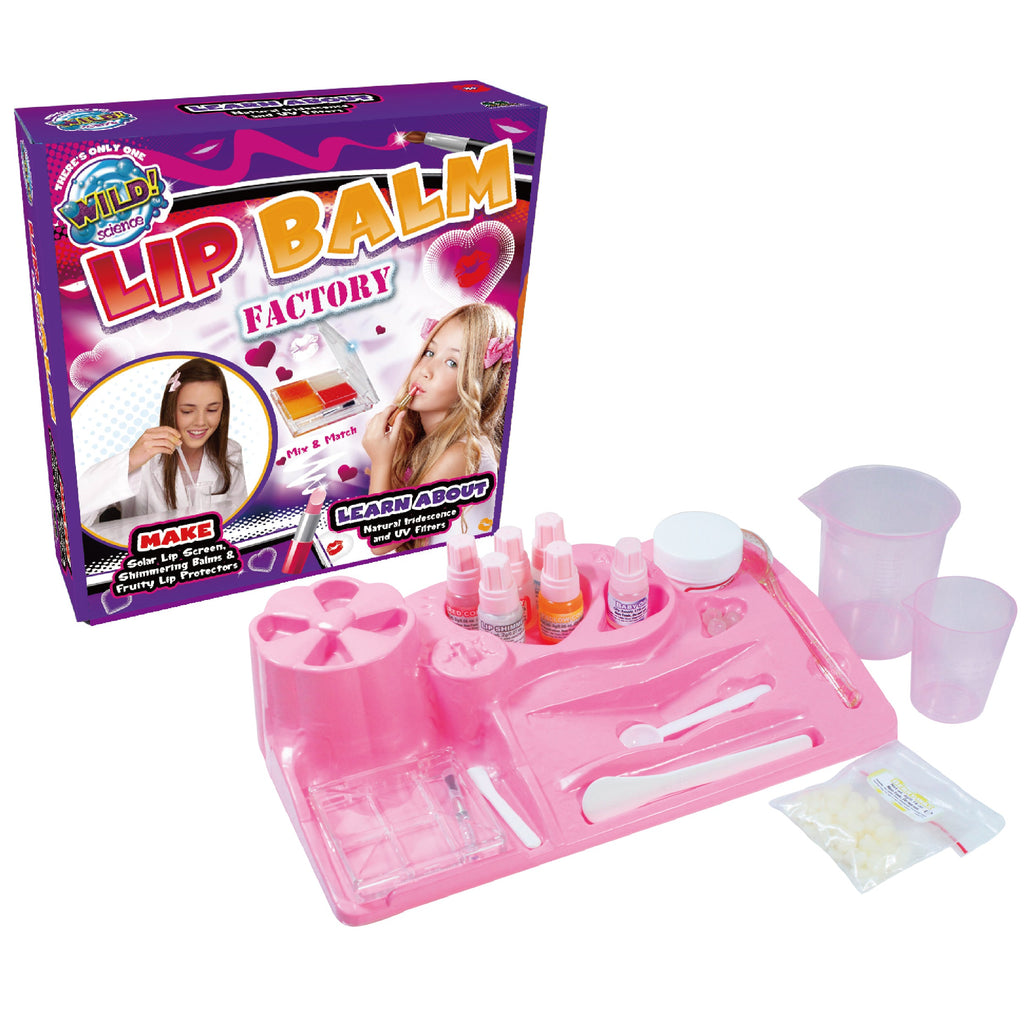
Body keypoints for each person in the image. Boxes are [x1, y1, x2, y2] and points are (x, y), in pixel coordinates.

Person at [361, 302, 514, 550]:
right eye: (430, 353)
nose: (426, 370)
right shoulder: (423, 439)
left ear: (477, 383)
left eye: (452, 362)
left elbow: (381, 541)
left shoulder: (462, 454)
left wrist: (381, 461)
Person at [80, 357, 247, 528]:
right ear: (170, 408)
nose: (200, 422)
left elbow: (238, 521)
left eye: (212, 410)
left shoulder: (231, 452)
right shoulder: (144, 459)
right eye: (187, 411)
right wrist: (129, 461)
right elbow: (75, 511)